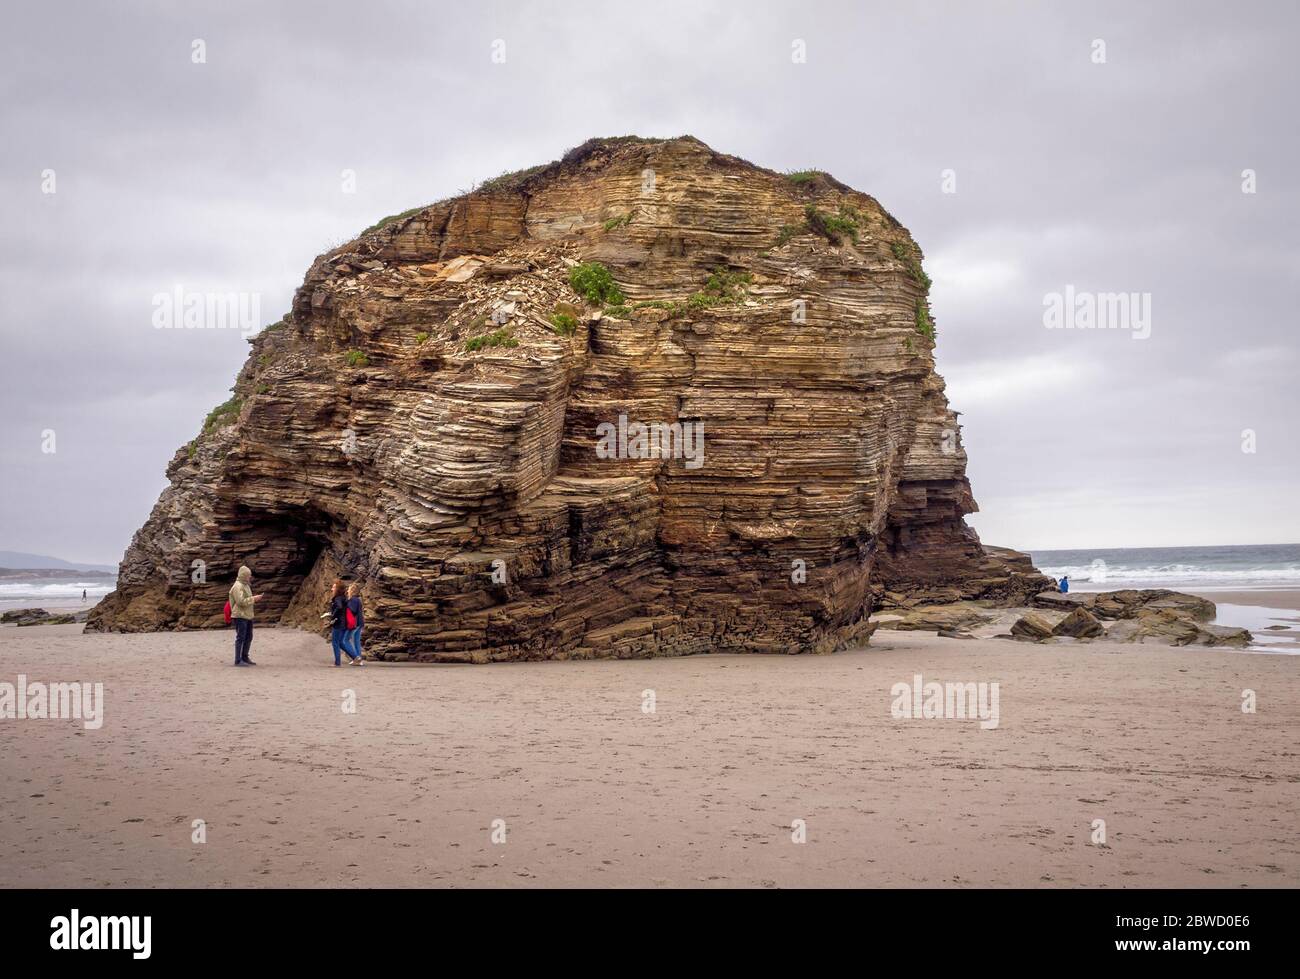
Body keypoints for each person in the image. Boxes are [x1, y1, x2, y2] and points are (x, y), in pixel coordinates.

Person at [228, 565, 263, 666]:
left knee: (248, 637)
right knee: (241, 637)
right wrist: (254, 599)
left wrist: (253, 598)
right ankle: (238, 660)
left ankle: (244, 657)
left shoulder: (245, 585)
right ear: (243, 576)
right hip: (239, 615)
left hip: (247, 615)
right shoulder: (237, 586)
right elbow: (240, 602)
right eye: (248, 576)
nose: (250, 578)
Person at [326, 579, 358, 667]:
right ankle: (355, 658)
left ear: (338, 589)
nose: (332, 589)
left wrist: (333, 615)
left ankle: (337, 663)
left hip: (338, 622)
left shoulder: (337, 598)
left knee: (335, 642)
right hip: (344, 622)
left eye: (333, 587)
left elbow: (339, 607)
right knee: (340, 642)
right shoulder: (343, 598)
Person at [344, 582, 365, 666]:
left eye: (349, 589)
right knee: (356, 641)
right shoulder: (358, 599)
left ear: (352, 590)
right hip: (360, 622)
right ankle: (359, 660)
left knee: (345, 640)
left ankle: (356, 657)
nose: (347, 590)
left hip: (354, 623)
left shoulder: (352, 600)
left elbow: (352, 611)